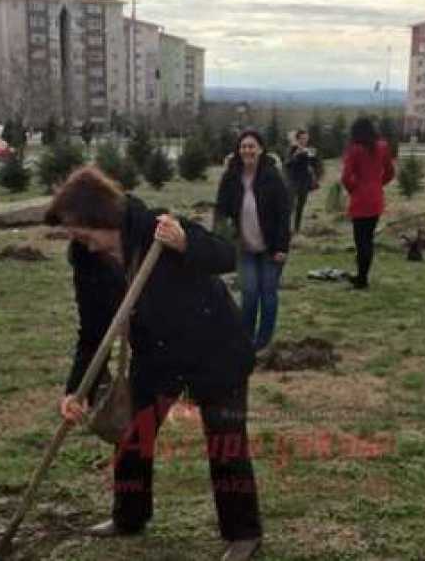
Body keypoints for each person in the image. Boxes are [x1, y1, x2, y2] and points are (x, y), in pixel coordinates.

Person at [47, 167, 263, 561]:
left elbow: (226, 255)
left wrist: (184, 244)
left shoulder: (156, 226)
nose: (79, 241)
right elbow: (93, 330)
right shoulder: (86, 258)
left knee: (225, 443)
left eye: (81, 231)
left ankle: (243, 533)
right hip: (156, 353)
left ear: (101, 216)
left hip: (212, 347)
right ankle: (129, 517)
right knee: (133, 436)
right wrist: (78, 389)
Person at [215, 129, 291, 352]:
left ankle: (263, 341)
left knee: (267, 294)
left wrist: (282, 247)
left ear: (260, 149)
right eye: (243, 146)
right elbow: (221, 209)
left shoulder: (272, 177)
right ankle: (245, 339)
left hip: (271, 248)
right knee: (249, 293)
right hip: (245, 247)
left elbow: (283, 214)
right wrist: (222, 236)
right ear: (238, 151)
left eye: (252, 146)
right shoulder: (231, 177)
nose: (247, 150)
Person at [341, 117, 395, 289]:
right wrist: (378, 185)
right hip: (376, 197)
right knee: (368, 239)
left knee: (360, 240)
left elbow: (345, 177)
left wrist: (353, 190)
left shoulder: (354, 149)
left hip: (360, 199)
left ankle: (361, 279)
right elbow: (390, 172)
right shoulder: (382, 146)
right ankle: (362, 276)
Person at [284, 129, 322, 234]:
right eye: (302, 139)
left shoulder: (309, 151)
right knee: (290, 206)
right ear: (297, 139)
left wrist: (314, 159)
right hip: (293, 181)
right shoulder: (292, 150)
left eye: (306, 138)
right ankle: (286, 229)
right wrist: (296, 155)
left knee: (300, 206)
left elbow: (316, 165)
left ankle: (297, 229)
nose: (304, 140)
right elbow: (287, 164)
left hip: (305, 182)